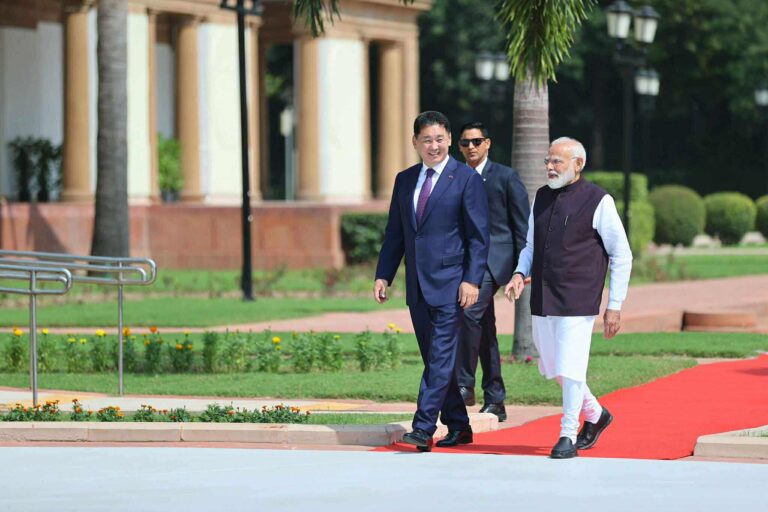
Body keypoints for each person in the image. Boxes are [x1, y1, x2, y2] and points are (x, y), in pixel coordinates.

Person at [505, 137, 632, 459]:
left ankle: (567, 434)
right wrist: (519, 273)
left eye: (557, 162)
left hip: (578, 297)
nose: (549, 167)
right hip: (543, 297)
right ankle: (597, 414)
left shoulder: (599, 200)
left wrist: (614, 306)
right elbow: (531, 246)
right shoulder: (541, 196)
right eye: (548, 161)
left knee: (571, 366)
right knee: (553, 366)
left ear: (578, 164)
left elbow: (622, 254)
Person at [374, 111, 490, 452]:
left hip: (453, 285)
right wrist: (384, 274)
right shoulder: (405, 180)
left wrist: (472, 280)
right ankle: (459, 425)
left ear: (449, 140)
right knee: (436, 359)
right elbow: (395, 233)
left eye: (440, 139)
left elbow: (478, 237)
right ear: (415, 142)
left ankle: (423, 428)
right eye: (427, 140)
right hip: (417, 287)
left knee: (439, 356)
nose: (434, 146)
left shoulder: (466, 179)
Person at [455, 121, 529, 421]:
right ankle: (495, 399)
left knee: (468, 312)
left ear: (487, 143)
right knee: (484, 328)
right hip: (463, 261)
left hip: (494, 260)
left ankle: (463, 385)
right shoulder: (454, 176)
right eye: (465, 143)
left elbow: (522, 225)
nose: (471, 147)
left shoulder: (506, 176)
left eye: (476, 141)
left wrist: (522, 268)